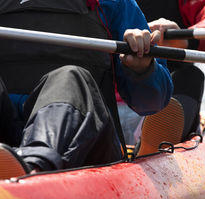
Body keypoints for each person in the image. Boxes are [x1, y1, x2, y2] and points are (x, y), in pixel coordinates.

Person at [0, 0, 173, 178]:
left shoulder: (112, 4)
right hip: (7, 135)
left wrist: (142, 69)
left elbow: (151, 103)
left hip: (86, 146)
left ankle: (34, 169)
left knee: (69, 77)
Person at [118, 0, 205, 147]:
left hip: (159, 103)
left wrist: (186, 41)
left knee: (190, 78)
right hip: (98, 102)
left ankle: (152, 148)